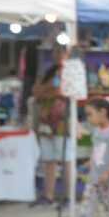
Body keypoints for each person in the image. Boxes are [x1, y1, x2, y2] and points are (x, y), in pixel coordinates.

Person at [29, 63, 73, 207]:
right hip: (45, 124)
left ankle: (68, 196)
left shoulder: (70, 72)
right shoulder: (48, 72)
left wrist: (47, 91)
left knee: (66, 160)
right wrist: (50, 90)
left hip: (61, 124)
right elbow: (36, 92)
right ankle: (48, 195)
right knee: (48, 160)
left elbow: (62, 91)